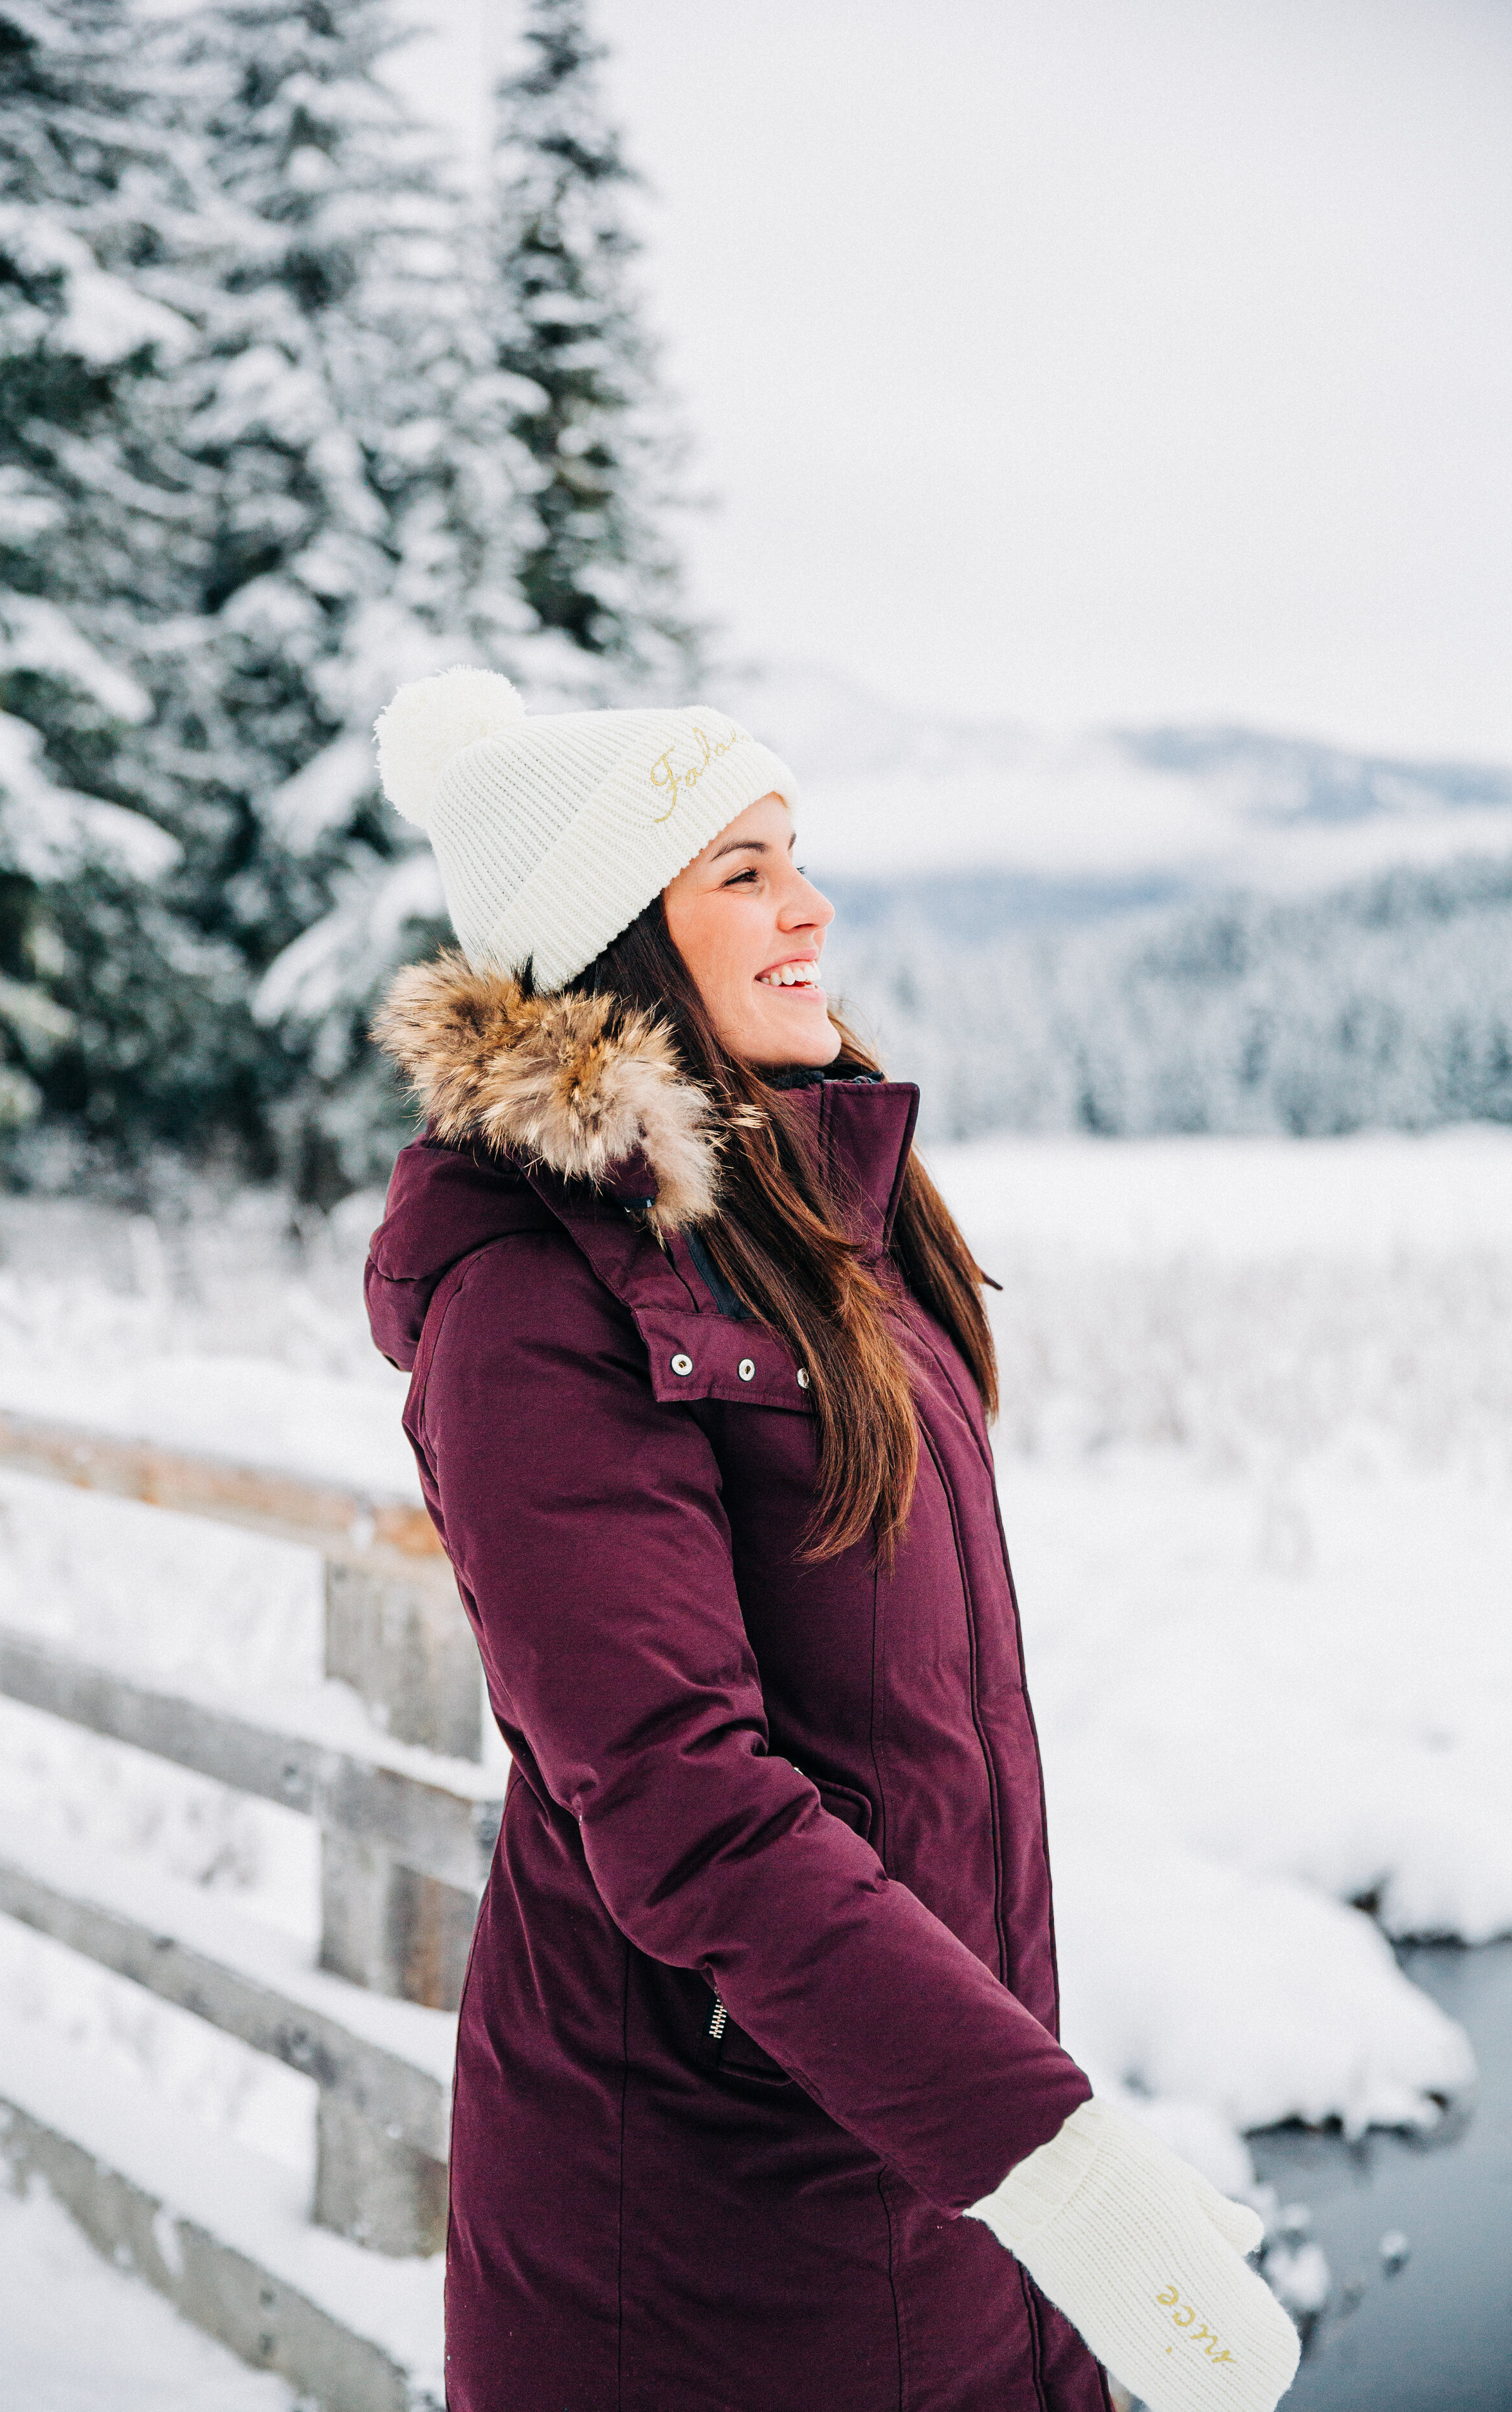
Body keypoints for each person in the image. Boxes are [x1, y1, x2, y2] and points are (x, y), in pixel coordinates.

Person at [363, 667, 1299, 2412]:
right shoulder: (536, 1298)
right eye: (740, 871)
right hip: (710, 2229)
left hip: (904, 2126)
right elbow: (680, 1797)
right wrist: (1058, 2171)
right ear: (613, 938)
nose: (812, 907)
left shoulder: (803, 1229)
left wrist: (1011, 2119)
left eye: (795, 853)